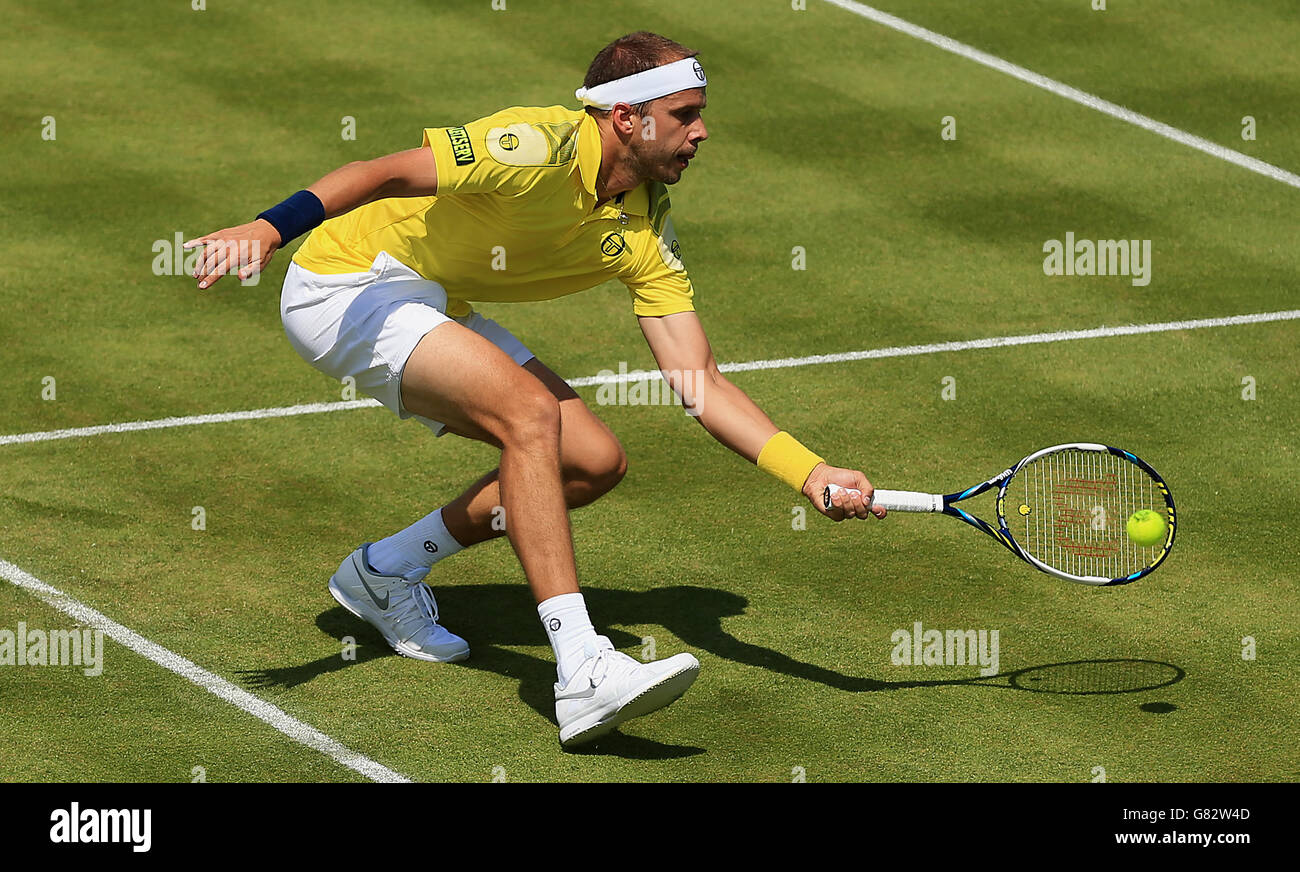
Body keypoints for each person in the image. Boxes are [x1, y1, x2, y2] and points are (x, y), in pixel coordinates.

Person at [185, 31, 884, 748]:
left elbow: (698, 381)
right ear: (626, 119)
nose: (700, 131)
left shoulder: (646, 226)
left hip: (430, 295)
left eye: (699, 114)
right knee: (529, 413)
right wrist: (270, 227)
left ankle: (384, 571)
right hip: (345, 282)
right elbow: (382, 172)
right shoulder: (533, 146)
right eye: (683, 115)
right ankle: (581, 667)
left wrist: (809, 472)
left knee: (590, 459)